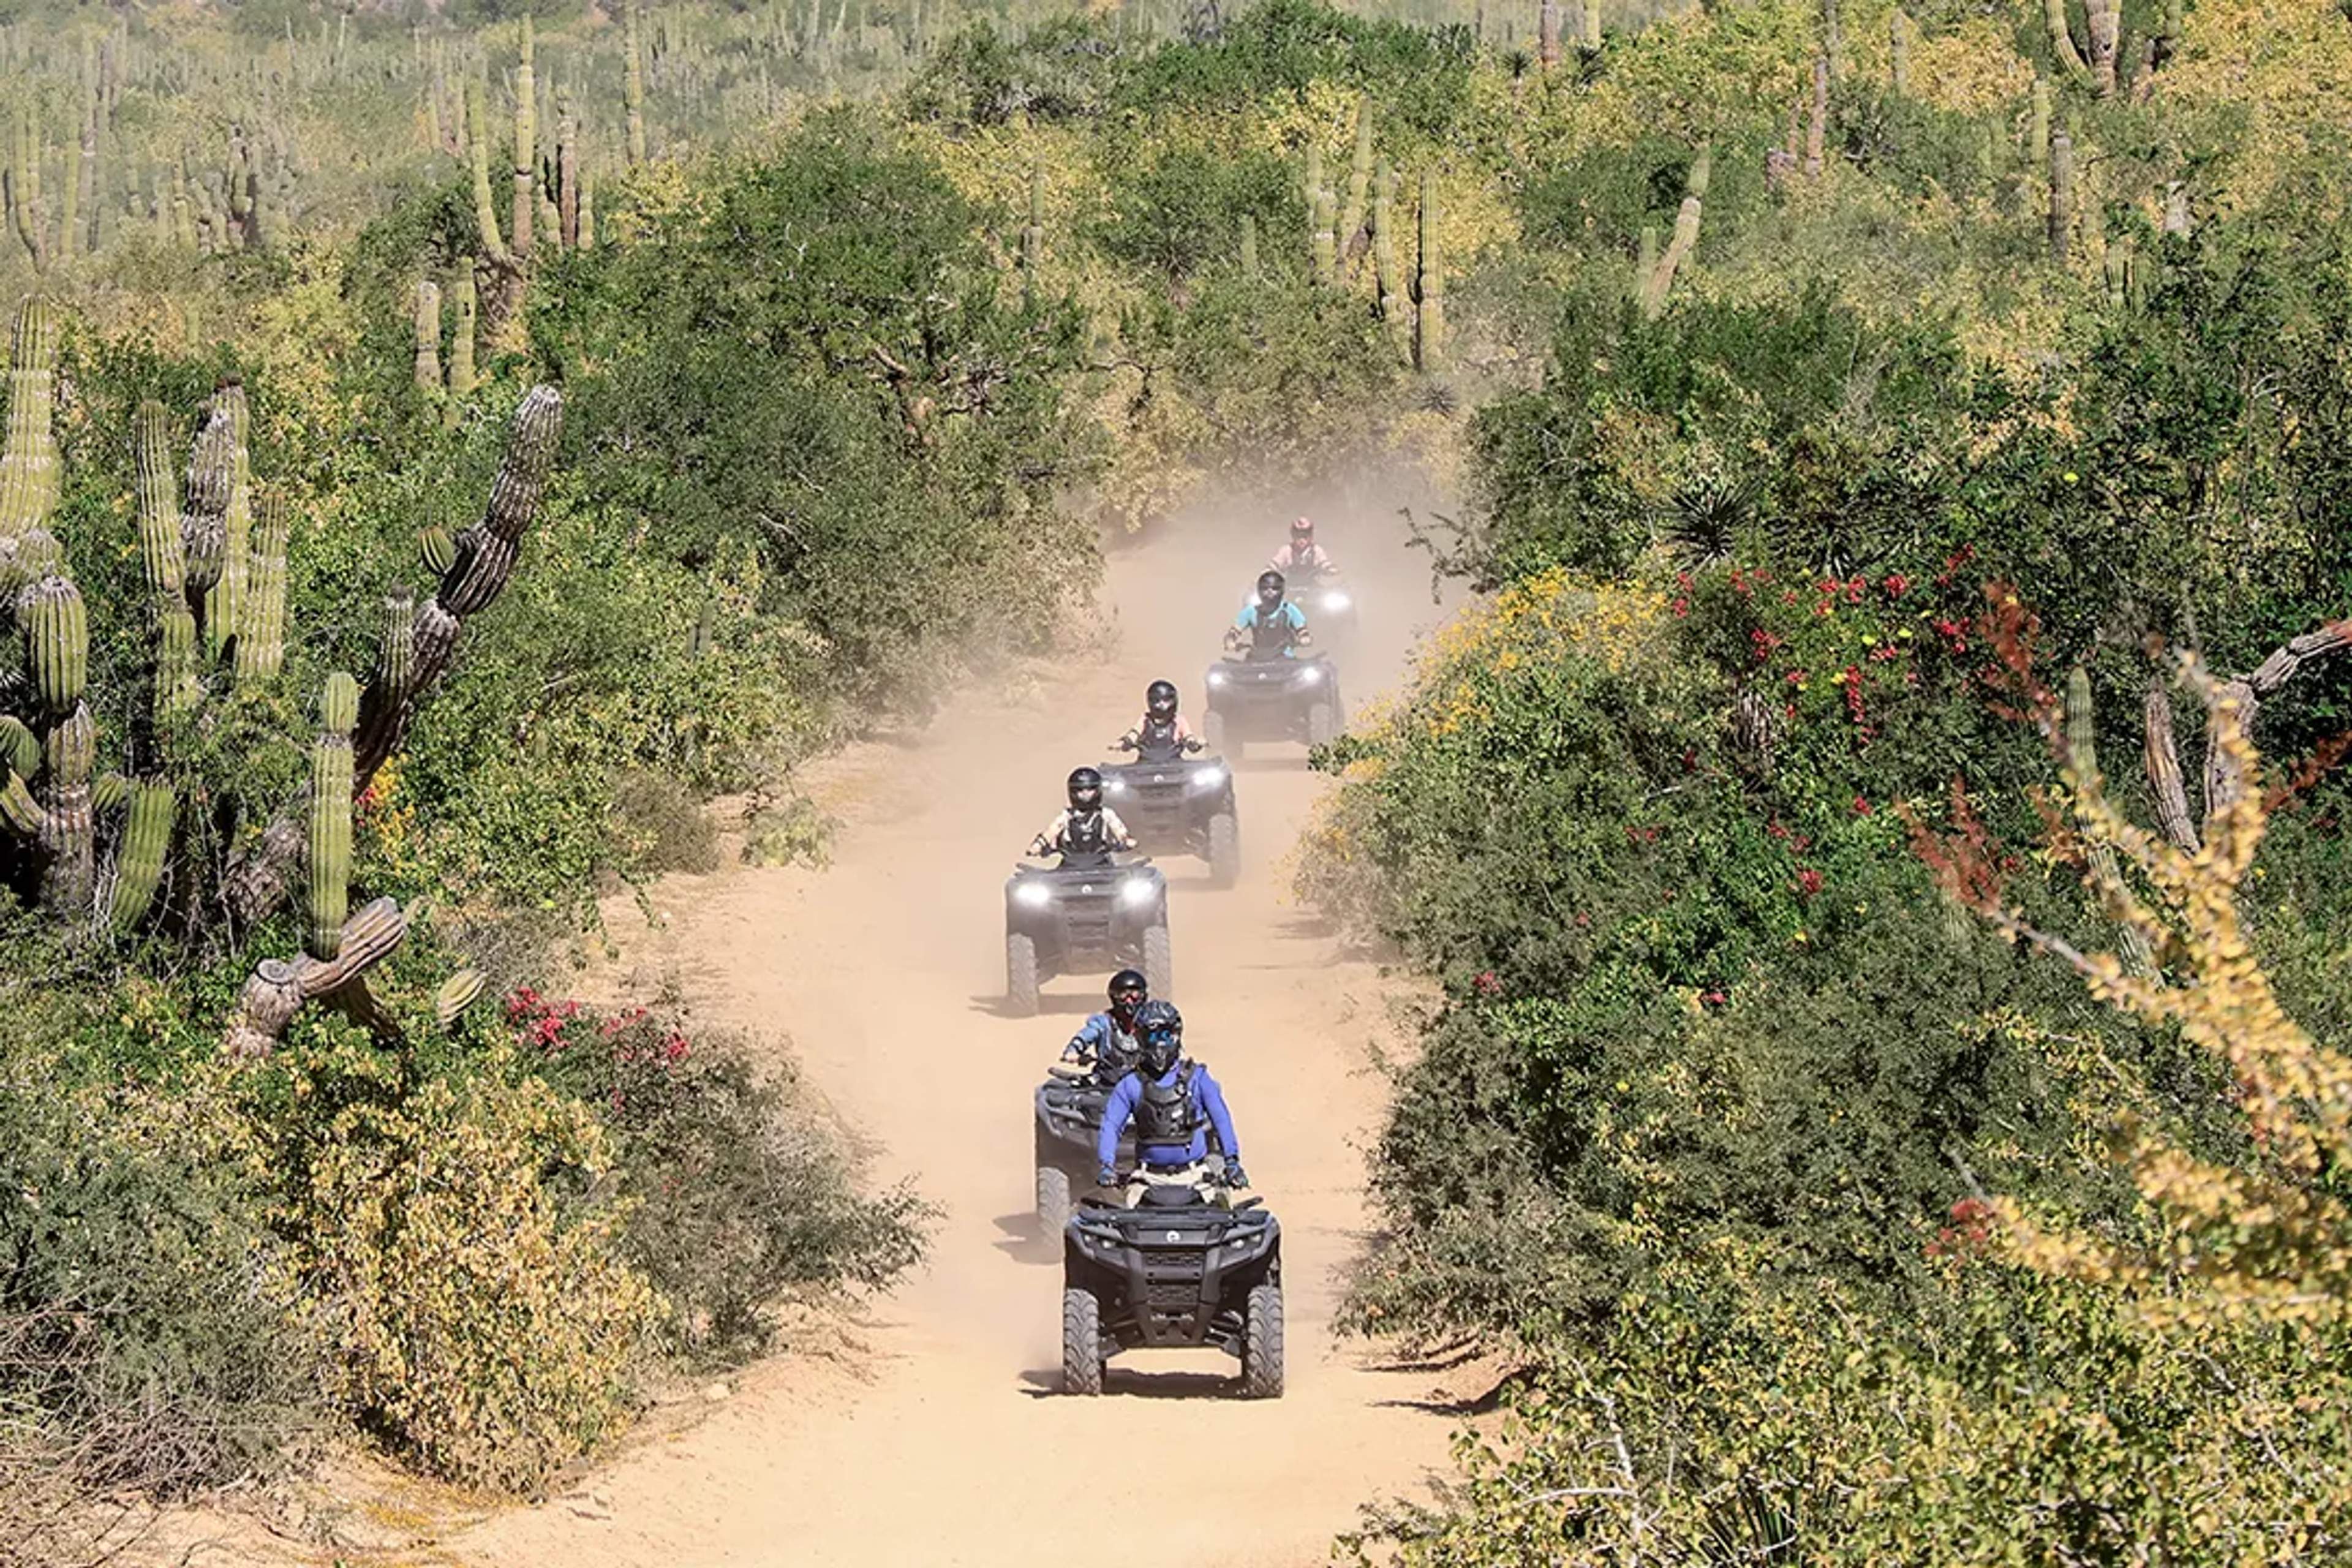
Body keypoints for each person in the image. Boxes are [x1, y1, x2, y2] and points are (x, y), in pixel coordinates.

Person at [1095, 1001, 1248, 1203]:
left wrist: (1232, 1162)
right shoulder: (1130, 1085)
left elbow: (1222, 1120)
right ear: (1140, 1038)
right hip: (1146, 1181)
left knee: (1226, 1216)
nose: (1158, 1044)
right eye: (1151, 1036)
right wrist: (1106, 1165)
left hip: (1197, 1179)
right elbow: (1111, 1126)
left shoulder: (1199, 1078)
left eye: (1164, 1036)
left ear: (1176, 1035)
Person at [1029, 766, 1135, 865]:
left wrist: (1126, 841)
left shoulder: (1106, 814)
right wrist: (1038, 846)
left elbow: (1119, 830)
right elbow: (1051, 832)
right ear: (1072, 792)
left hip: (1102, 862)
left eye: (1090, 790)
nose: (1085, 795)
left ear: (1098, 791)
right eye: (1080, 791)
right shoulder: (1066, 815)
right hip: (1070, 864)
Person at [1062, 968, 1148, 1079]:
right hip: (1107, 1082)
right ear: (1113, 997)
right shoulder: (1103, 1022)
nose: (1129, 1001)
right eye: (1123, 995)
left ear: (1143, 996)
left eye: (1135, 995)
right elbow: (1085, 1037)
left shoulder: (1151, 1022)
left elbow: (1167, 1040)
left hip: (1144, 1082)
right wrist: (1073, 1053)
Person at [1223, 570, 1312, 662]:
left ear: (1282, 591)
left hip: (1285, 658)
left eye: (1275, 588)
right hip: (1256, 658)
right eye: (1265, 588)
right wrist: (1230, 641)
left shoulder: (1289, 609)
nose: (1270, 592)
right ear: (1259, 590)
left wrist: (1304, 638)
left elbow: (1302, 630)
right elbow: (1235, 631)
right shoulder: (1250, 611)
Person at [1113, 679, 1204, 761]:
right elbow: (1135, 733)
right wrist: (1126, 742)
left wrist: (1193, 744)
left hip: (1175, 766)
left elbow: (1188, 736)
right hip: (1145, 766)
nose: (1162, 705)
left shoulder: (1179, 720)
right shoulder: (1145, 720)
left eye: (1166, 701)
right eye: (1158, 701)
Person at [1267, 516, 1337, 581]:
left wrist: (1331, 569)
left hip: (1313, 587)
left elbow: (1324, 562)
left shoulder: (1317, 550)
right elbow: (1275, 563)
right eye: (1298, 535)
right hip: (1288, 586)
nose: (1302, 540)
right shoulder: (1286, 550)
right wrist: (1267, 572)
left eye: (1305, 536)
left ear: (1311, 536)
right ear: (1293, 535)